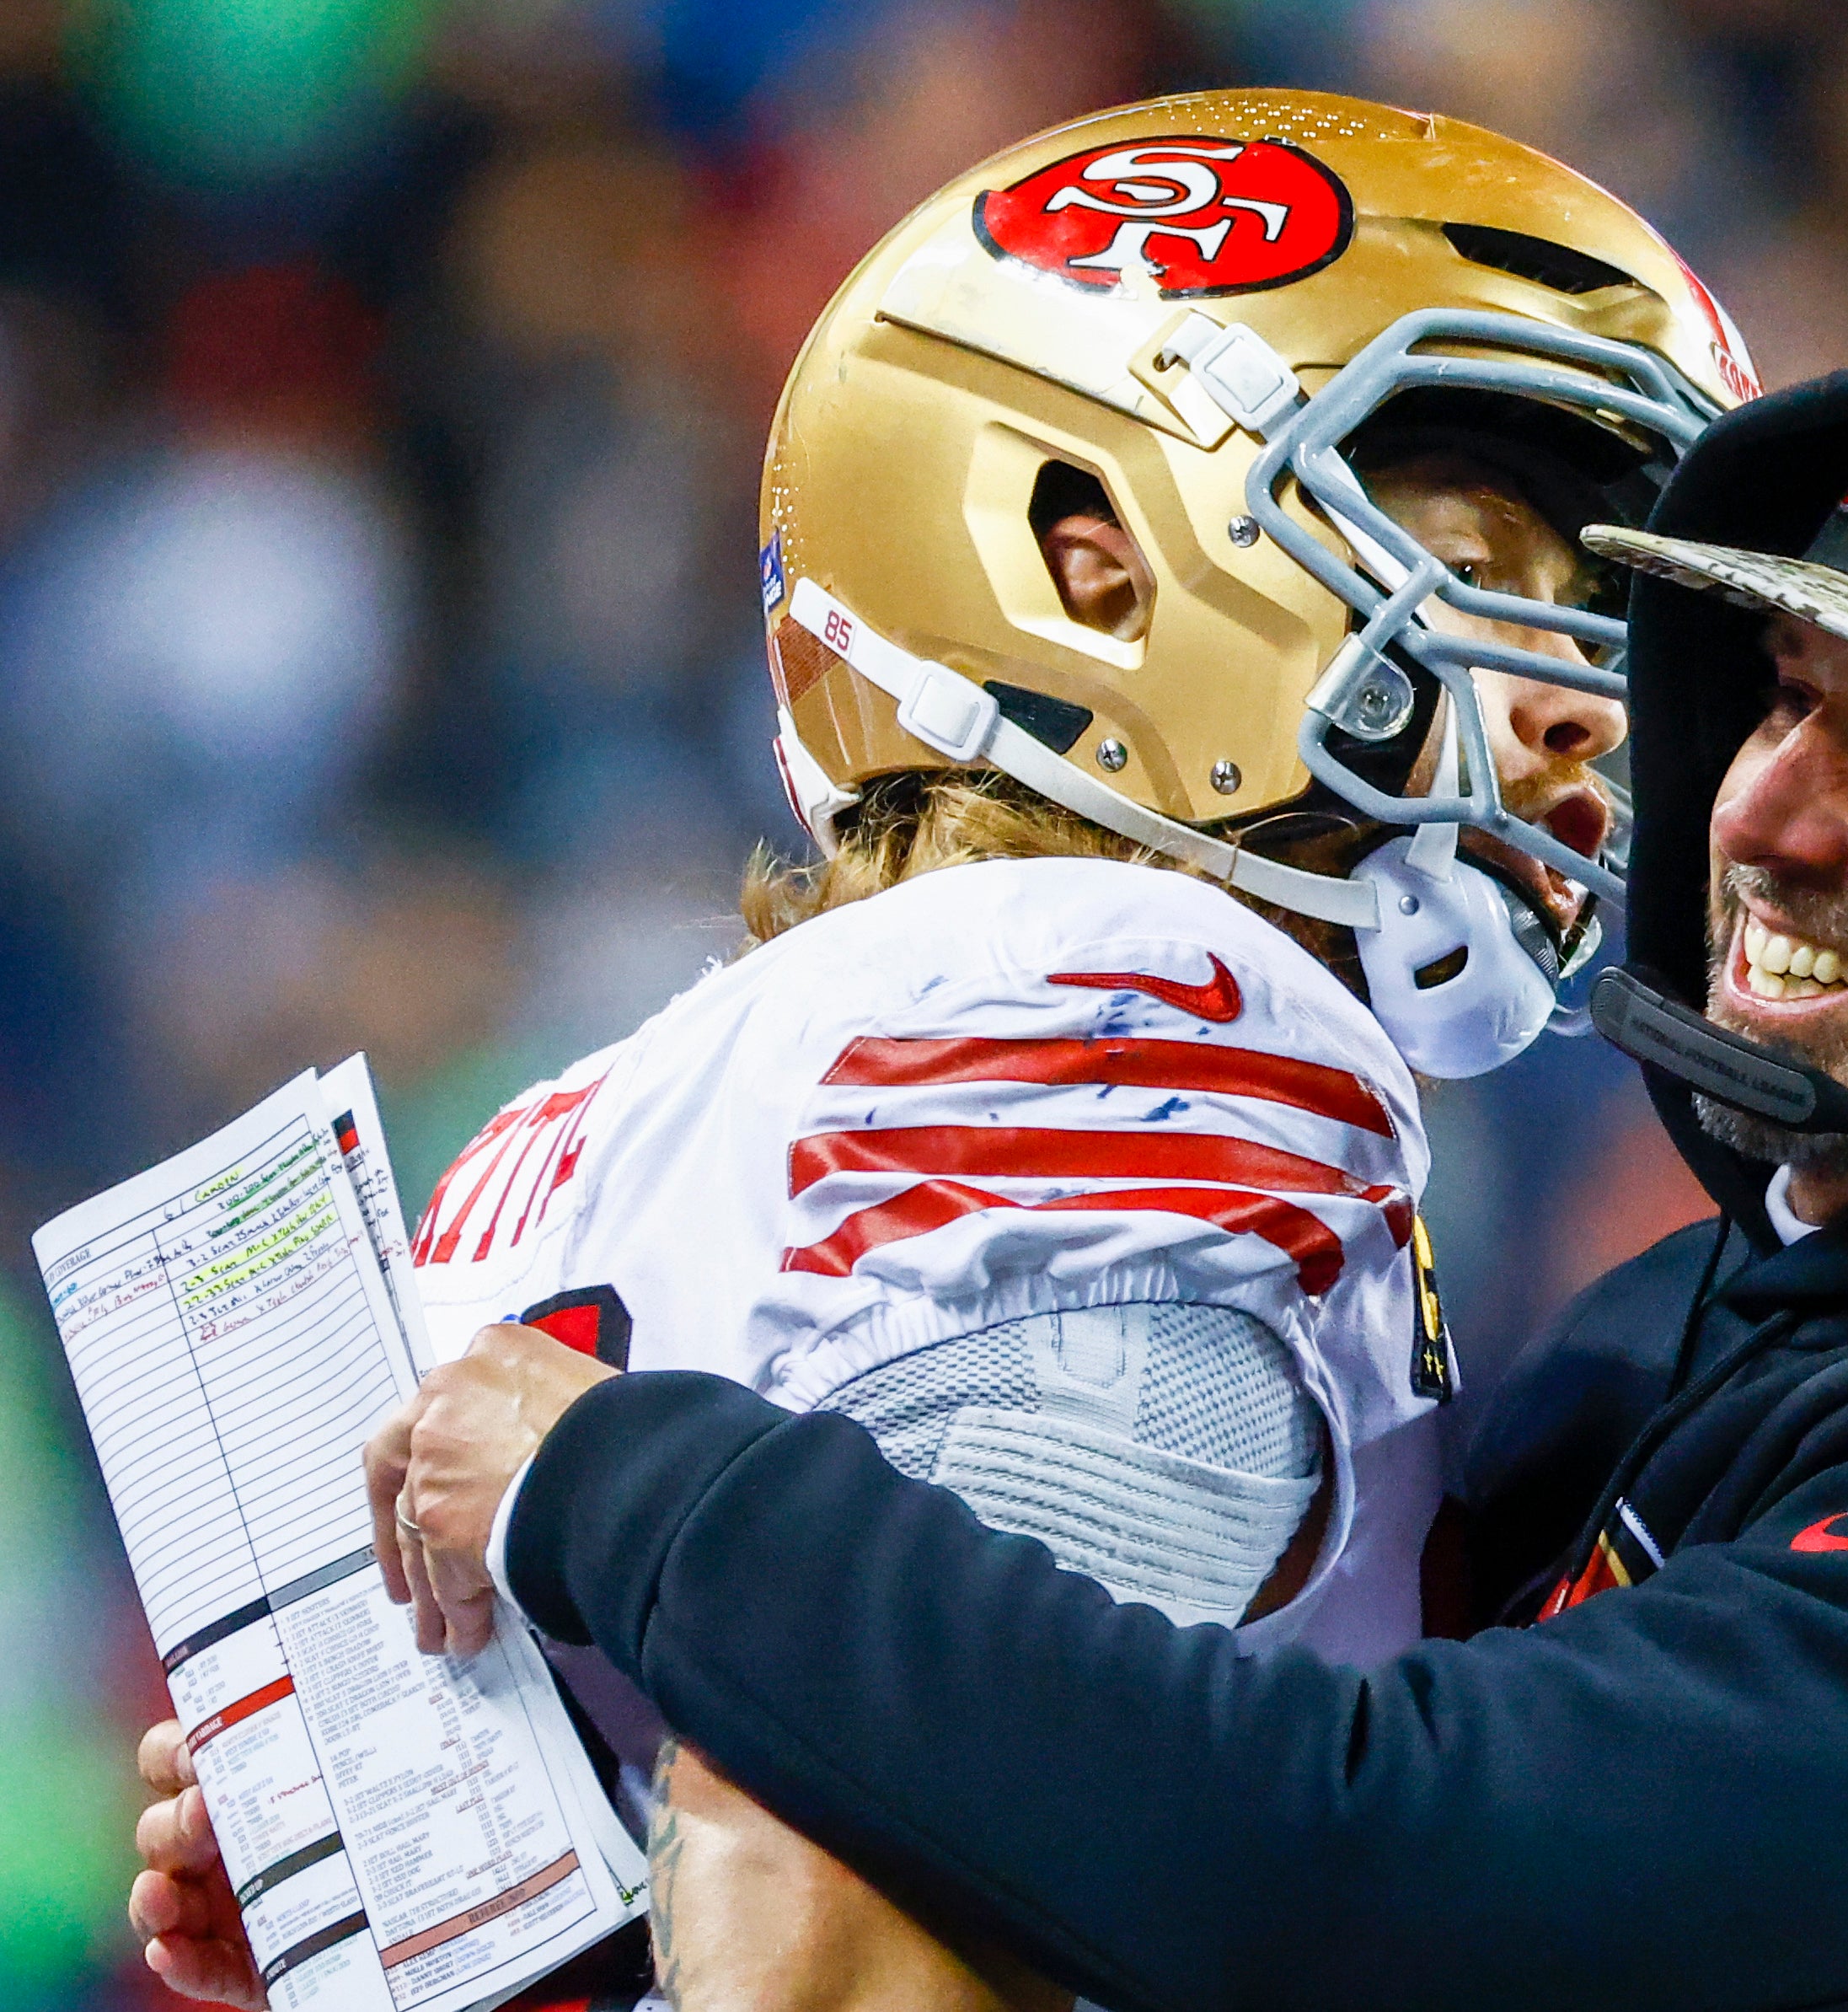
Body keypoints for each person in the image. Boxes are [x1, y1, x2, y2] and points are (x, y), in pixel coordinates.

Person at [154, 311, 1848, 2006]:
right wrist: (507, 1885)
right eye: (1783, 695)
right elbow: (1128, 1795)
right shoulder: (1696, 1325)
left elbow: (1350, 1869)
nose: (1764, 814)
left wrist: (649, 1491)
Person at [123, 89, 1747, 2012]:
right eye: (1477, 561)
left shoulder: (608, 1098)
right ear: (1087, 561)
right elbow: (875, 1827)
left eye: (1596, 621)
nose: (1578, 709)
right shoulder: (1146, 999)